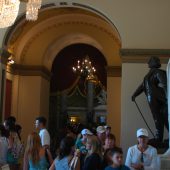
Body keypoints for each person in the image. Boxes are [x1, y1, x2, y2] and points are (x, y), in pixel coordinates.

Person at [132, 56, 168, 142]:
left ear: (153, 63)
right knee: (158, 118)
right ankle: (159, 138)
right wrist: (134, 95)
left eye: (150, 61)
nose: (148, 63)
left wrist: (167, 97)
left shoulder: (157, 72)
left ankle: (159, 138)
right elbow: (142, 86)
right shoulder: (149, 74)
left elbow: (165, 84)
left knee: (162, 117)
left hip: (157, 99)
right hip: (152, 99)